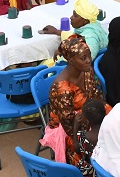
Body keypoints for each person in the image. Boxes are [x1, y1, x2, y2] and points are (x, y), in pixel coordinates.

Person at [43, 35, 107, 166]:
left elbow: (97, 97)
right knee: (99, 149)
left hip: (90, 114)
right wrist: (96, 130)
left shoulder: (86, 71)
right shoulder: (62, 89)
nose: (89, 60)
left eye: (89, 56)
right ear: (71, 61)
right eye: (83, 58)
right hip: (70, 128)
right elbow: (71, 129)